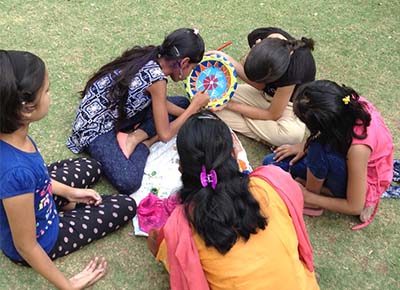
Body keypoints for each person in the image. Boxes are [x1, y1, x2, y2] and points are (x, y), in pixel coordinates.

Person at [0, 50, 136, 289]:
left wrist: (69, 193)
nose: (51, 96)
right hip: (41, 238)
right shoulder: (15, 173)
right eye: (47, 91)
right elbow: (26, 244)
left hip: (30, 197)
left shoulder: (13, 136)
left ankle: (65, 201)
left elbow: (39, 179)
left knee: (91, 166)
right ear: (25, 108)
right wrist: (68, 284)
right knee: (124, 206)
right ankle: (62, 209)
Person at [147, 111, 320, 290]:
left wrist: (156, 238)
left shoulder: (182, 224)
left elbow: (162, 250)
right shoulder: (271, 181)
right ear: (234, 154)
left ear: (182, 167)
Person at [66, 28, 210, 194]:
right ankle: (143, 142)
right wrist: (193, 109)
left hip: (117, 112)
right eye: (192, 67)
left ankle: (134, 136)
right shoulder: (157, 80)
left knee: (182, 104)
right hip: (94, 129)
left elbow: (160, 103)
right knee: (129, 181)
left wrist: (192, 110)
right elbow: (165, 135)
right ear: (184, 63)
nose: (190, 72)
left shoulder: (151, 54)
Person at [263, 80, 394, 230]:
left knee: (317, 147)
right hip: (338, 155)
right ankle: (323, 189)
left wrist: (309, 196)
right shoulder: (345, 102)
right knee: (271, 164)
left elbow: (354, 206)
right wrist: (303, 146)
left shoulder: (358, 149)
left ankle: (315, 200)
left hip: (361, 182)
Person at [210, 27, 316, 147]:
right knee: (210, 98)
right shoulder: (259, 36)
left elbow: (273, 114)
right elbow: (259, 86)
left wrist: (229, 105)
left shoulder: (295, 68)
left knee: (292, 135)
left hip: (287, 106)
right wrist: (226, 59)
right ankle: (264, 133)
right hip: (263, 95)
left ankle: (258, 130)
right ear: (258, 43)